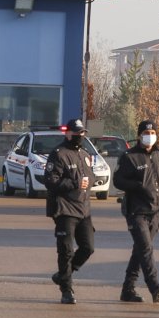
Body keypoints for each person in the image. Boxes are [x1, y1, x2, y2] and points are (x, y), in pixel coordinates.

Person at [113, 119, 159, 304]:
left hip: (157, 211)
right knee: (146, 249)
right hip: (136, 211)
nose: (149, 136)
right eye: (146, 134)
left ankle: (127, 289)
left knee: (139, 250)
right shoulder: (129, 157)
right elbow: (118, 181)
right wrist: (138, 185)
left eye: (152, 133)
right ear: (139, 136)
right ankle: (155, 286)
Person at [42, 117, 96, 305]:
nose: (80, 136)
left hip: (83, 208)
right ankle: (66, 290)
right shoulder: (59, 154)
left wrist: (90, 183)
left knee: (88, 248)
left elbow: (91, 177)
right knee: (65, 250)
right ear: (68, 133)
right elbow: (50, 180)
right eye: (76, 133)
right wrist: (73, 183)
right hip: (64, 208)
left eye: (82, 133)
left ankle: (63, 275)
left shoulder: (85, 155)